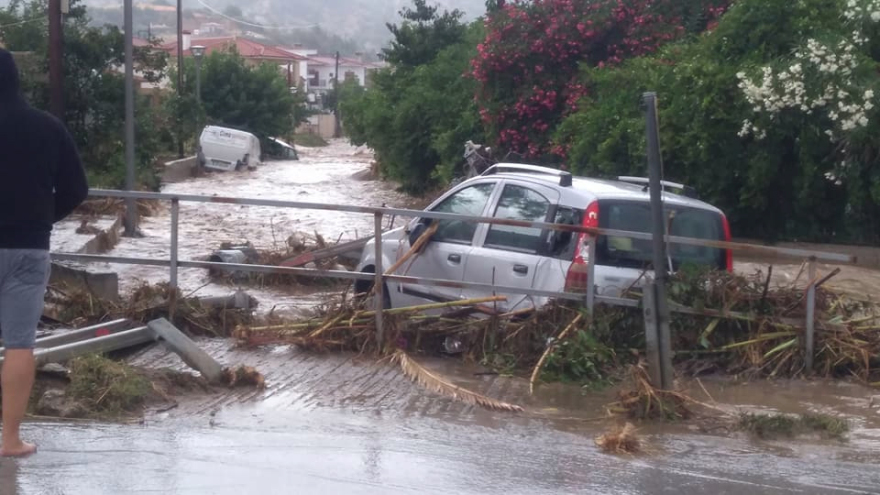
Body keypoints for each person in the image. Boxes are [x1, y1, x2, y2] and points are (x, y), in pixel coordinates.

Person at [0, 49, 88, 457]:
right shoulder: (47, 128)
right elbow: (77, 189)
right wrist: (42, 219)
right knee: (19, 344)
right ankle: (10, 439)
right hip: (28, 247)